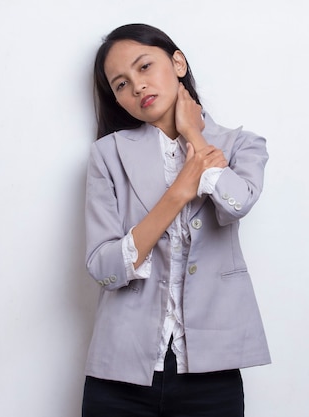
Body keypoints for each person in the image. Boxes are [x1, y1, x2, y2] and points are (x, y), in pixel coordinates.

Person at [82, 23, 271, 417]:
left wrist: (193, 136)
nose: (136, 86)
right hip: (120, 372)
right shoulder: (107, 155)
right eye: (120, 84)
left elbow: (237, 203)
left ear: (178, 62)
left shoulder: (241, 144)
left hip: (211, 372)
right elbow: (103, 268)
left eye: (144, 66)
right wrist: (179, 192)